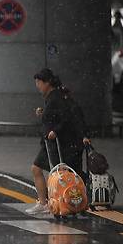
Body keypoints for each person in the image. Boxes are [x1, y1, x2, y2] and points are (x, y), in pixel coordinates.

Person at [26, 68, 89, 215]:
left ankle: (50, 203)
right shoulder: (52, 96)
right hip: (53, 143)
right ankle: (56, 202)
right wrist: (43, 113)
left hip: (59, 143)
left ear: (47, 82)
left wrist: (56, 131)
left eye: (39, 82)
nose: (37, 85)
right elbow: (56, 116)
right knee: (59, 173)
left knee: (47, 171)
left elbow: (67, 118)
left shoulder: (56, 97)